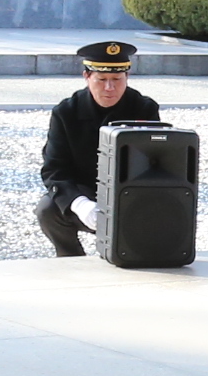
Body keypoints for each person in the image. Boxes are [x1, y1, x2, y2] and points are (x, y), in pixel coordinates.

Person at [37, 39, 160, 257]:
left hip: (131, 192)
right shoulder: (66, 113)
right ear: (86, 77)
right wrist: (79, 204)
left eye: (117, 79)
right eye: (102, 79)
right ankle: (70, 259)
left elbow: (157, 162)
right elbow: (54, 169)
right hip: (85, 189)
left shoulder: (143, 108)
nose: (109, 88)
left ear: (127, 77)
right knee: (48, 210)